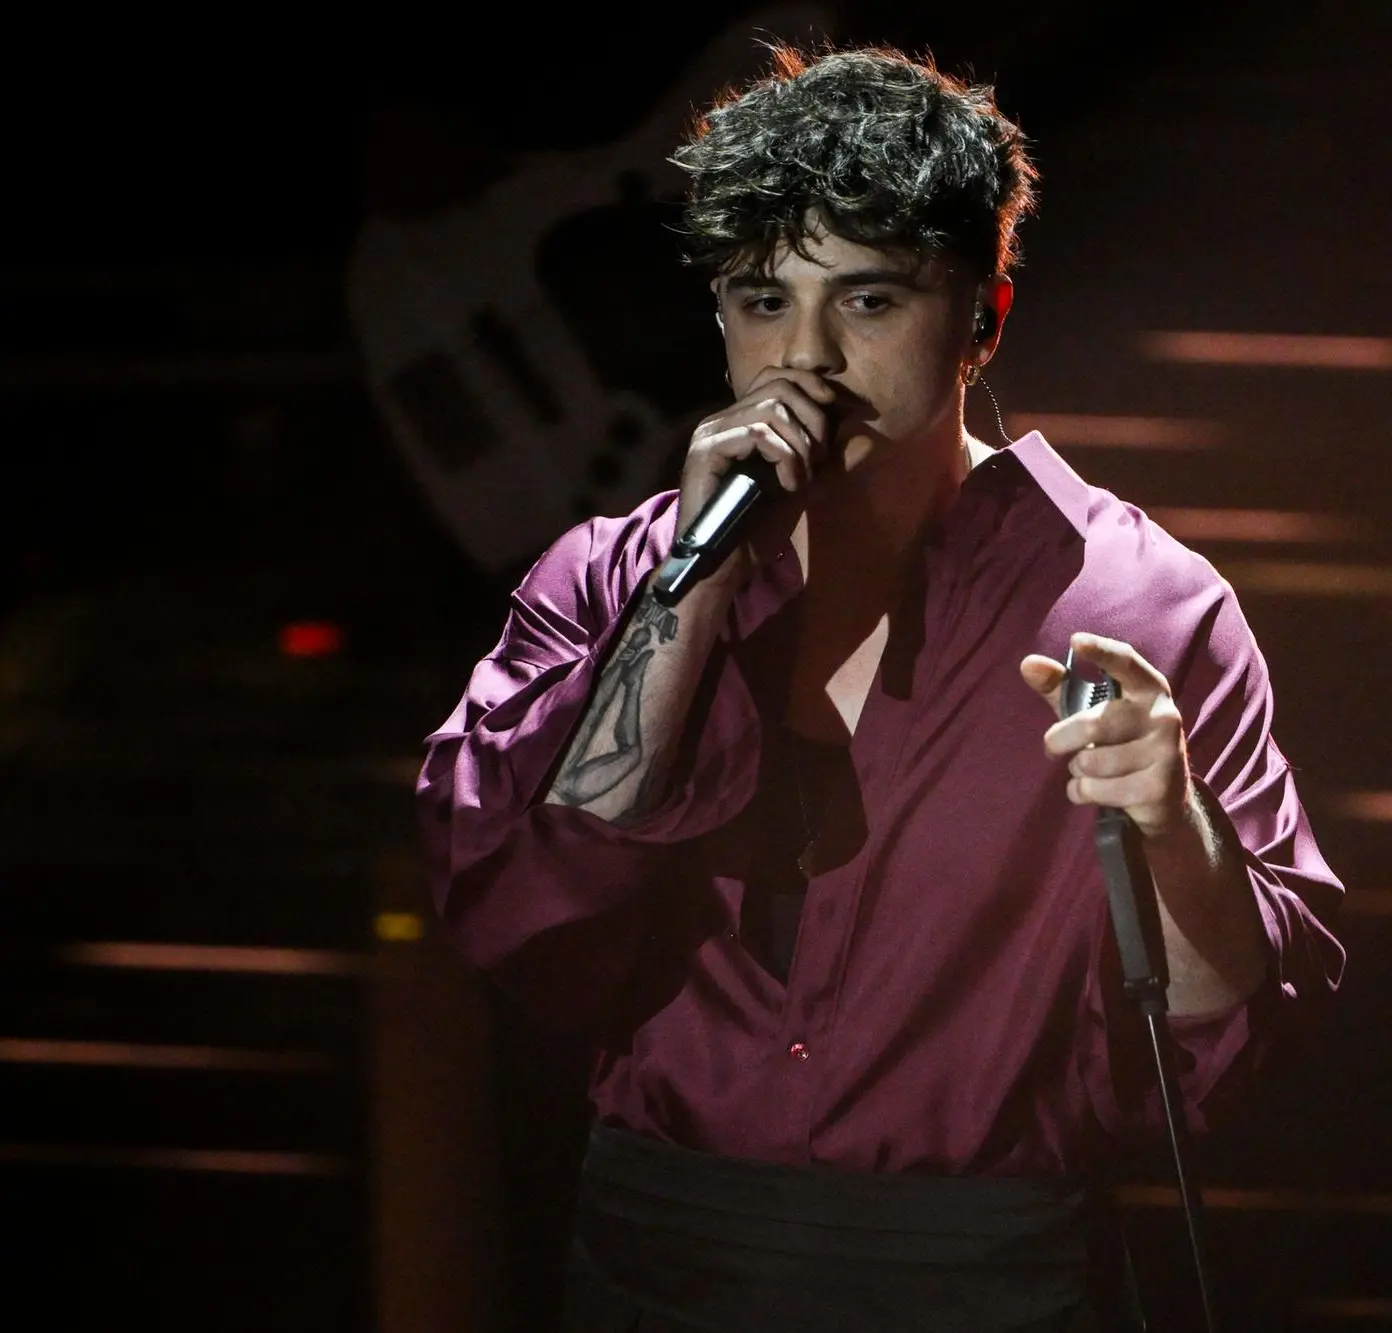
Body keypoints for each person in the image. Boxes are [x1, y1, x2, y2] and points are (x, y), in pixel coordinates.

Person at [417, 43, 1345, 1333]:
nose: (805, 362)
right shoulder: (616, 576)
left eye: (866, 303)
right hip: (662, 1250)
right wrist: (692, 586)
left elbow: (1233, 1040)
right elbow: (523, 911)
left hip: (989, 1266)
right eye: (759, 302)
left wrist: (1173, 821)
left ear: (983, 315)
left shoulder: (1143, 607)